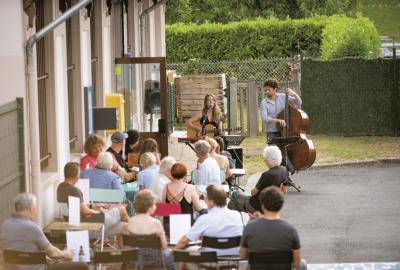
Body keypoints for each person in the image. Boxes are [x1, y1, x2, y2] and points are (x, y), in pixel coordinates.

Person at [0, 193, 88, 270]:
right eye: (35, 206)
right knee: (82, 266)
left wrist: (41, 257)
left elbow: (19, 247)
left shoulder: (5, 225)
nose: (36, 209)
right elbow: (53, 253)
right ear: (30, 207)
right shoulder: (32, 227)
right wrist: (65, 253)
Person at [240, 186, 307, 270]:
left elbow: (242, 256)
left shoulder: (250, 227)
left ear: (263, 205)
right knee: (303, 263)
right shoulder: (291, 230)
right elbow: (296, 264)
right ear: (281, 205)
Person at [57, 162, 128, 236]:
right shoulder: (74, 191)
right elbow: (85, 211)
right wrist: (100, 212)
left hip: (74, 226)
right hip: (88, 226)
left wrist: (92, 206)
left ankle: (124, 245)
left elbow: (78, 208)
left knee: (124, 226)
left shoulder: (60, 188)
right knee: (122, 210)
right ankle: (136, 235)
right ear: (77, 175)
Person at [175, 185, 243, 256]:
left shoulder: (204, 219)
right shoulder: (237, 215)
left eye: (205, 198)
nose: (204, 200)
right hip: (233, 258)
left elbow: (184, 241)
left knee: (184, 251)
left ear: (211, 202)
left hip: (209, 261)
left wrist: (172, 252)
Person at [228, 145, 287, 214]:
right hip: (272, 205)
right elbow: (284, 190)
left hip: (257, 206)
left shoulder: (267, 175)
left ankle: (229, 218)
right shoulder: (284, 170)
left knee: (235, 194)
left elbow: (253, 192)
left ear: (267, 159)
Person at [125, 190, 175, 270]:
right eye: (154, 204)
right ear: (150, 206)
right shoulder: (156, 223)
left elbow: (127, 246)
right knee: (171, 254)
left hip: (135, 260)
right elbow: (164, 245)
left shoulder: (129, 222)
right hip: (155, 260)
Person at [260, 78, 302, 142]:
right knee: (274, 150)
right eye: (265, 90)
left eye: (269, 90)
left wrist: (295, 94)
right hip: (272, 132)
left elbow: (298, 103)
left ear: (275, 89)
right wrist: (278, 120)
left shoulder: (283, 96)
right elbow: (264, 118)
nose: (266, 92)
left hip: (286, 130)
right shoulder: (264, 102)